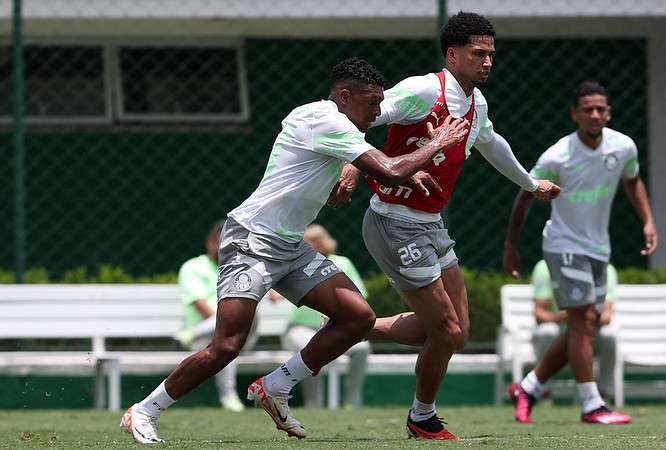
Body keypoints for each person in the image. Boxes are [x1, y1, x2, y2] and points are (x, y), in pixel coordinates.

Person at [120, 57, 470, 444]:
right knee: (227, 345)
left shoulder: (329, 120)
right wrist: (437, 143)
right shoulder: (329, 121)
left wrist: (358, 171)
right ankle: (145, 410)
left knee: (357, 317)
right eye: (371, 103)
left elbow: (367, 164)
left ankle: (276, 386)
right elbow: (388, 170)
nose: (377, 111)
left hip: (290, 244)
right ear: (344, 95)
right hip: (252, 241)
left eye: (379, 103)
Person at [331, 12, 559, 440]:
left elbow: (492, 143)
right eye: (479, 53)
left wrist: (530, 183)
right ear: (452, 55)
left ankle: (357, 324)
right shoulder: (422, 90)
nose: (488, 61)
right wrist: (352, 164)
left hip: (431, 224)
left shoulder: (477, 104)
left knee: (458, 331)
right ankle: (422, 417)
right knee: (446, 330)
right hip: (394, 222)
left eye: (491, 54)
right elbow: (361, 118)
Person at [503, 81, 658, 425]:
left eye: (601, 108)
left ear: (609, 112)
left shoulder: (623, 147)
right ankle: (592, 404)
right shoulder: (557, 155)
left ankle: (528, 386)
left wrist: (647, 221)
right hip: (563, 245)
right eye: (587, 109)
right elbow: (526, 194)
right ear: (574, 114)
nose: (595, 114)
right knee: (582, 319)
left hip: (599, 249)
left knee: (584, 325)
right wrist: (511, 245)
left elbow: (633, 180)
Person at [280, 224, 371, 408]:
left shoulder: (342, 263)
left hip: (337, 329)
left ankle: (352, 403)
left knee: (361, 349)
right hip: (301, 329)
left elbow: (360, 296)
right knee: (309, 348)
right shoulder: (302, 266)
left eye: (307, 243)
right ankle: (313, 404)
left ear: (321, 244)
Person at [174, 220, 259, 412]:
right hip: (206, 338)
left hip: (243, 336)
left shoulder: (243, 267)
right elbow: (199, 304)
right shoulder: (193, 267)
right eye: (223, 240)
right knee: (225, 344)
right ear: (211, 241)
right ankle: (229, 397)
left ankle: (189, 334)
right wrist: (226, 324)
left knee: (248, 313)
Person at [529, 260, 618, 401]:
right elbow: (539, 312)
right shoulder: (545, 267)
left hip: (589, 333)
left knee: (608, 335)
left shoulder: (605, 268)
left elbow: (606, 315)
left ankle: (602, 397)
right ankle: (540, 391)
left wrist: (584, 317)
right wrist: (564, 317)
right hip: (560, 334)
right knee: (547, 331)